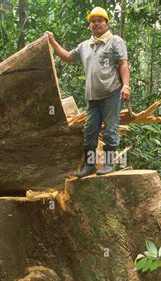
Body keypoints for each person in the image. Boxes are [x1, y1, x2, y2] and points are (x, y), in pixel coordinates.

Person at [45, 6, 130, 177]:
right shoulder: (85, 45)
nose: (96, 24)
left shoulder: (115, 41)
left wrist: (126, 86)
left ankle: (108, 164)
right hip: (92, 97)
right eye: (93, 21)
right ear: (90, 25)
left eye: (100, 21)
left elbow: (123, 64)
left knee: (111, 129)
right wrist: (53, 42)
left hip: (112, 93)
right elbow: (68, 57)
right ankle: (90, 166)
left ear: (106, 23)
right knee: (90, 130)